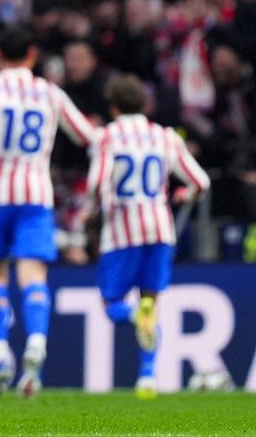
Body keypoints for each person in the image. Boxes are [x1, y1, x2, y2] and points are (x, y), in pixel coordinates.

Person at [0, 29, 97, 397]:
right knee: (33, 273)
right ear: (32, 55)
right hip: (35, 194)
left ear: (0, 56)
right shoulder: (50, 92)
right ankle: (36, 341)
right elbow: (86, 135)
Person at [85, 75, 210, 399]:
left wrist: (90, 210)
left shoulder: (107, 136)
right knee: (151, 302)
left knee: (112, 304)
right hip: (159, 229)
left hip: (121, 231)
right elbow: (200, 182)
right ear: (145, 105)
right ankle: (148, 376)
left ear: (113, 108)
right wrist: (182, 195)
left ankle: (134, 316)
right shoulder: (165, 136)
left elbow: (97, 182)